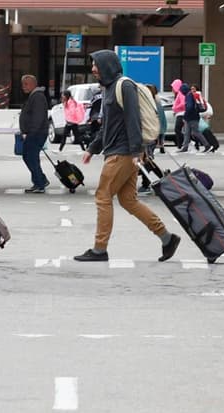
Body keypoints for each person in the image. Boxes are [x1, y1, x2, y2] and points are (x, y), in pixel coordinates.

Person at [75, 50, 180, 263]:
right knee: (128, 200)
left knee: (103, 197)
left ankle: (99, 249)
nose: (93, 69)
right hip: (117, 151)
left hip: (123, 153)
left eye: (96, 65)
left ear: (107, 65)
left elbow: (133, 120)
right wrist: (93, 148)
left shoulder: (125, 86)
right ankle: (167, 238)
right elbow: (108, 126)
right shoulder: (108, 89)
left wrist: (135, 152)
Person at [18, 75, 51, 193]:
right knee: (30, 157)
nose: (23, 87)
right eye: (22, 84)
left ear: (33, 84)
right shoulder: (33, 96)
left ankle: (40, 183)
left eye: (26, 84)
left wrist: (31, 131)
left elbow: (38, 116)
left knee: (30, 157)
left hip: (36, 133)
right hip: (34, 132)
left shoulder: (37, 97)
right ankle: (39, 180)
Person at [178, 82, 210, 153]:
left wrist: (185, 115)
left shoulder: (188, 96)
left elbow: (189, 107)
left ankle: (206, 145)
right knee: (187, 132)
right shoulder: (190, 95)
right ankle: (185, 147)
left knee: (195, 132)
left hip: (192, 117)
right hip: (192, 117)